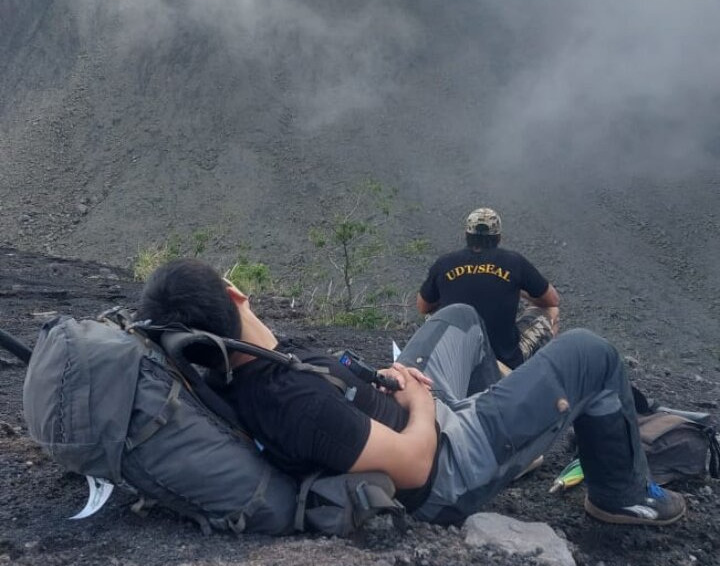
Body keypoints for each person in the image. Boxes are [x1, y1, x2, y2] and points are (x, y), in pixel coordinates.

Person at [138, 258, 686, 528]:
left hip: (405, 413)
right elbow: (417, 466)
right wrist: (421, 404)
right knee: (591, 352)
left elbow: (340, 405)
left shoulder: (239, 369)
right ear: (236, 294)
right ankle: (621, 495)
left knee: (460, 316)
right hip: (443, 461)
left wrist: (390, 381)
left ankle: (515, 437)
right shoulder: (286, 401)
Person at [417, 207, 560, 370]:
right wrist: (520, 291)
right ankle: (537, 376)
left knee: (432, 315)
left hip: (457, 357)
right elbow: (552, 300)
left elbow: (423, 307)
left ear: (466, 235)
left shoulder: (444, 263)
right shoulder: (514, 262)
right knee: (552, 311)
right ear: (499, 237)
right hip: (506, 358)